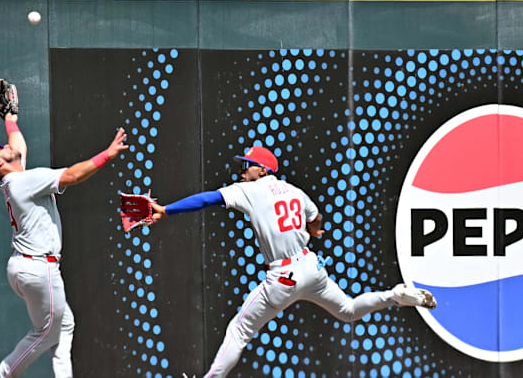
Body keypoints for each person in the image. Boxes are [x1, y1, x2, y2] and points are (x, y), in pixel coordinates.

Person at [150, 146, 437, 378]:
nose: (242, 171)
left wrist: (166, 210)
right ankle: (395, 296)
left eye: (247, 165)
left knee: (239, 331)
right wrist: (314, 228)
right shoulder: (295, 191)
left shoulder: (250, 190)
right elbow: (316, 217)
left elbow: (207, 199)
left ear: (263, 170)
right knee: (348, 310)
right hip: (312, 268)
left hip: (283, 276)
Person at [0, 113, 128, 378]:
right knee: (45, 333)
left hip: (24, 266)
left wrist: (10, 119)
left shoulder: (16, 180)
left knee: (64, 324)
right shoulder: (24, 181)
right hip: (38, 268)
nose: (6, 146)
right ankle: (2, 373)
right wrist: (107, 154)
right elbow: (72, 175)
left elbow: (19, 147)